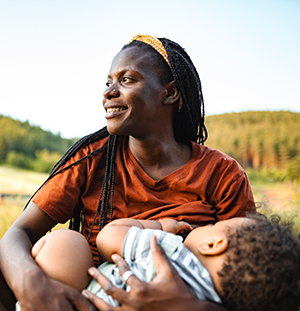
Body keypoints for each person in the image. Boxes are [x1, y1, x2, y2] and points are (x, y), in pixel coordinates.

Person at [0, 34, 255, 311]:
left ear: (169, 93)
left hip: (183, 302)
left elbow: (256, 271)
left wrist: (185, 305)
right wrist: (32, 284)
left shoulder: (221, 173)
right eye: (108, 82)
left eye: (128, 79)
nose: (109, 92)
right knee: (63, 245)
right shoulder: (92, 158)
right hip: (93, 299)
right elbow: (19, 233)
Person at [19, 216, 300, 311]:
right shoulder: (214, 300)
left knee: (63, 243)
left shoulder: (170, 251)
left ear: (213, 245)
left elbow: (108, 236)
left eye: (215, 224)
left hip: (79, 301)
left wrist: (159, 225)